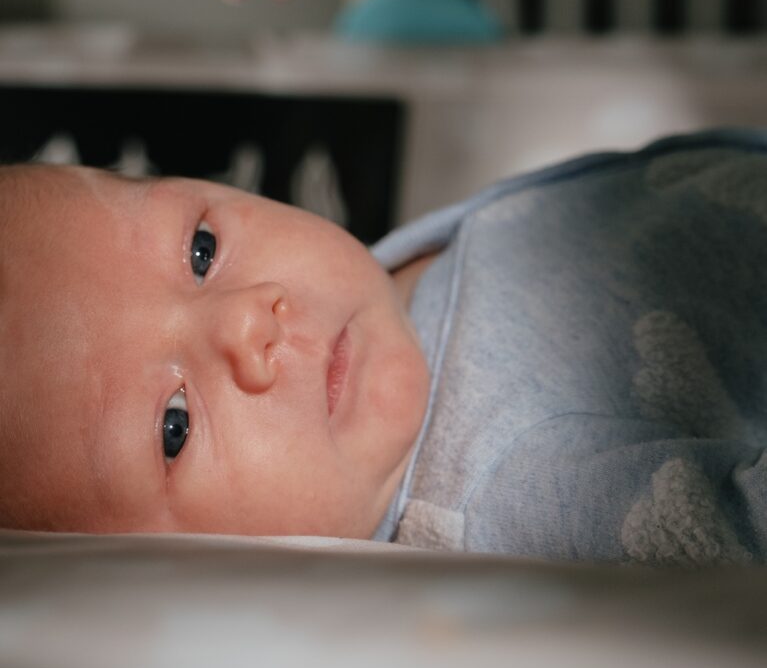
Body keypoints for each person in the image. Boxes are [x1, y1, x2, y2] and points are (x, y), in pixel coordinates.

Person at [1, 127, 766, 565]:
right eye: (175, 427)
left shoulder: (392, 275)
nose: (245, 325)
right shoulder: (522, 512)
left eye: (201, 251)